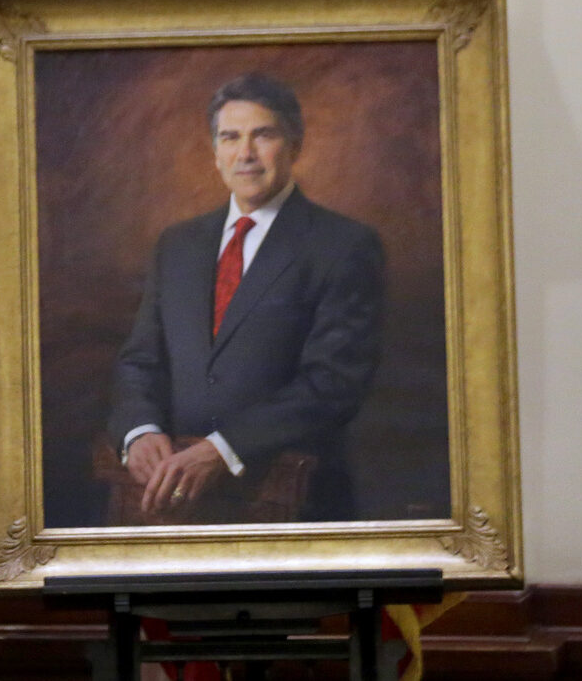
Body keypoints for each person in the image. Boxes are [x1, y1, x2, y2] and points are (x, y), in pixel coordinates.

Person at [107, 73, 384, 522]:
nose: (246, 154)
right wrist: (140, 431)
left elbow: (333, 383)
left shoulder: (344, 245)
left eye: (263, 135)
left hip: (292, 498)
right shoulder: (177, 245)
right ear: (215, 153)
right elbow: (140, 361)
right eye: (230, 137)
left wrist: (222, 449)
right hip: (173, 499)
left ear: (294, 144)